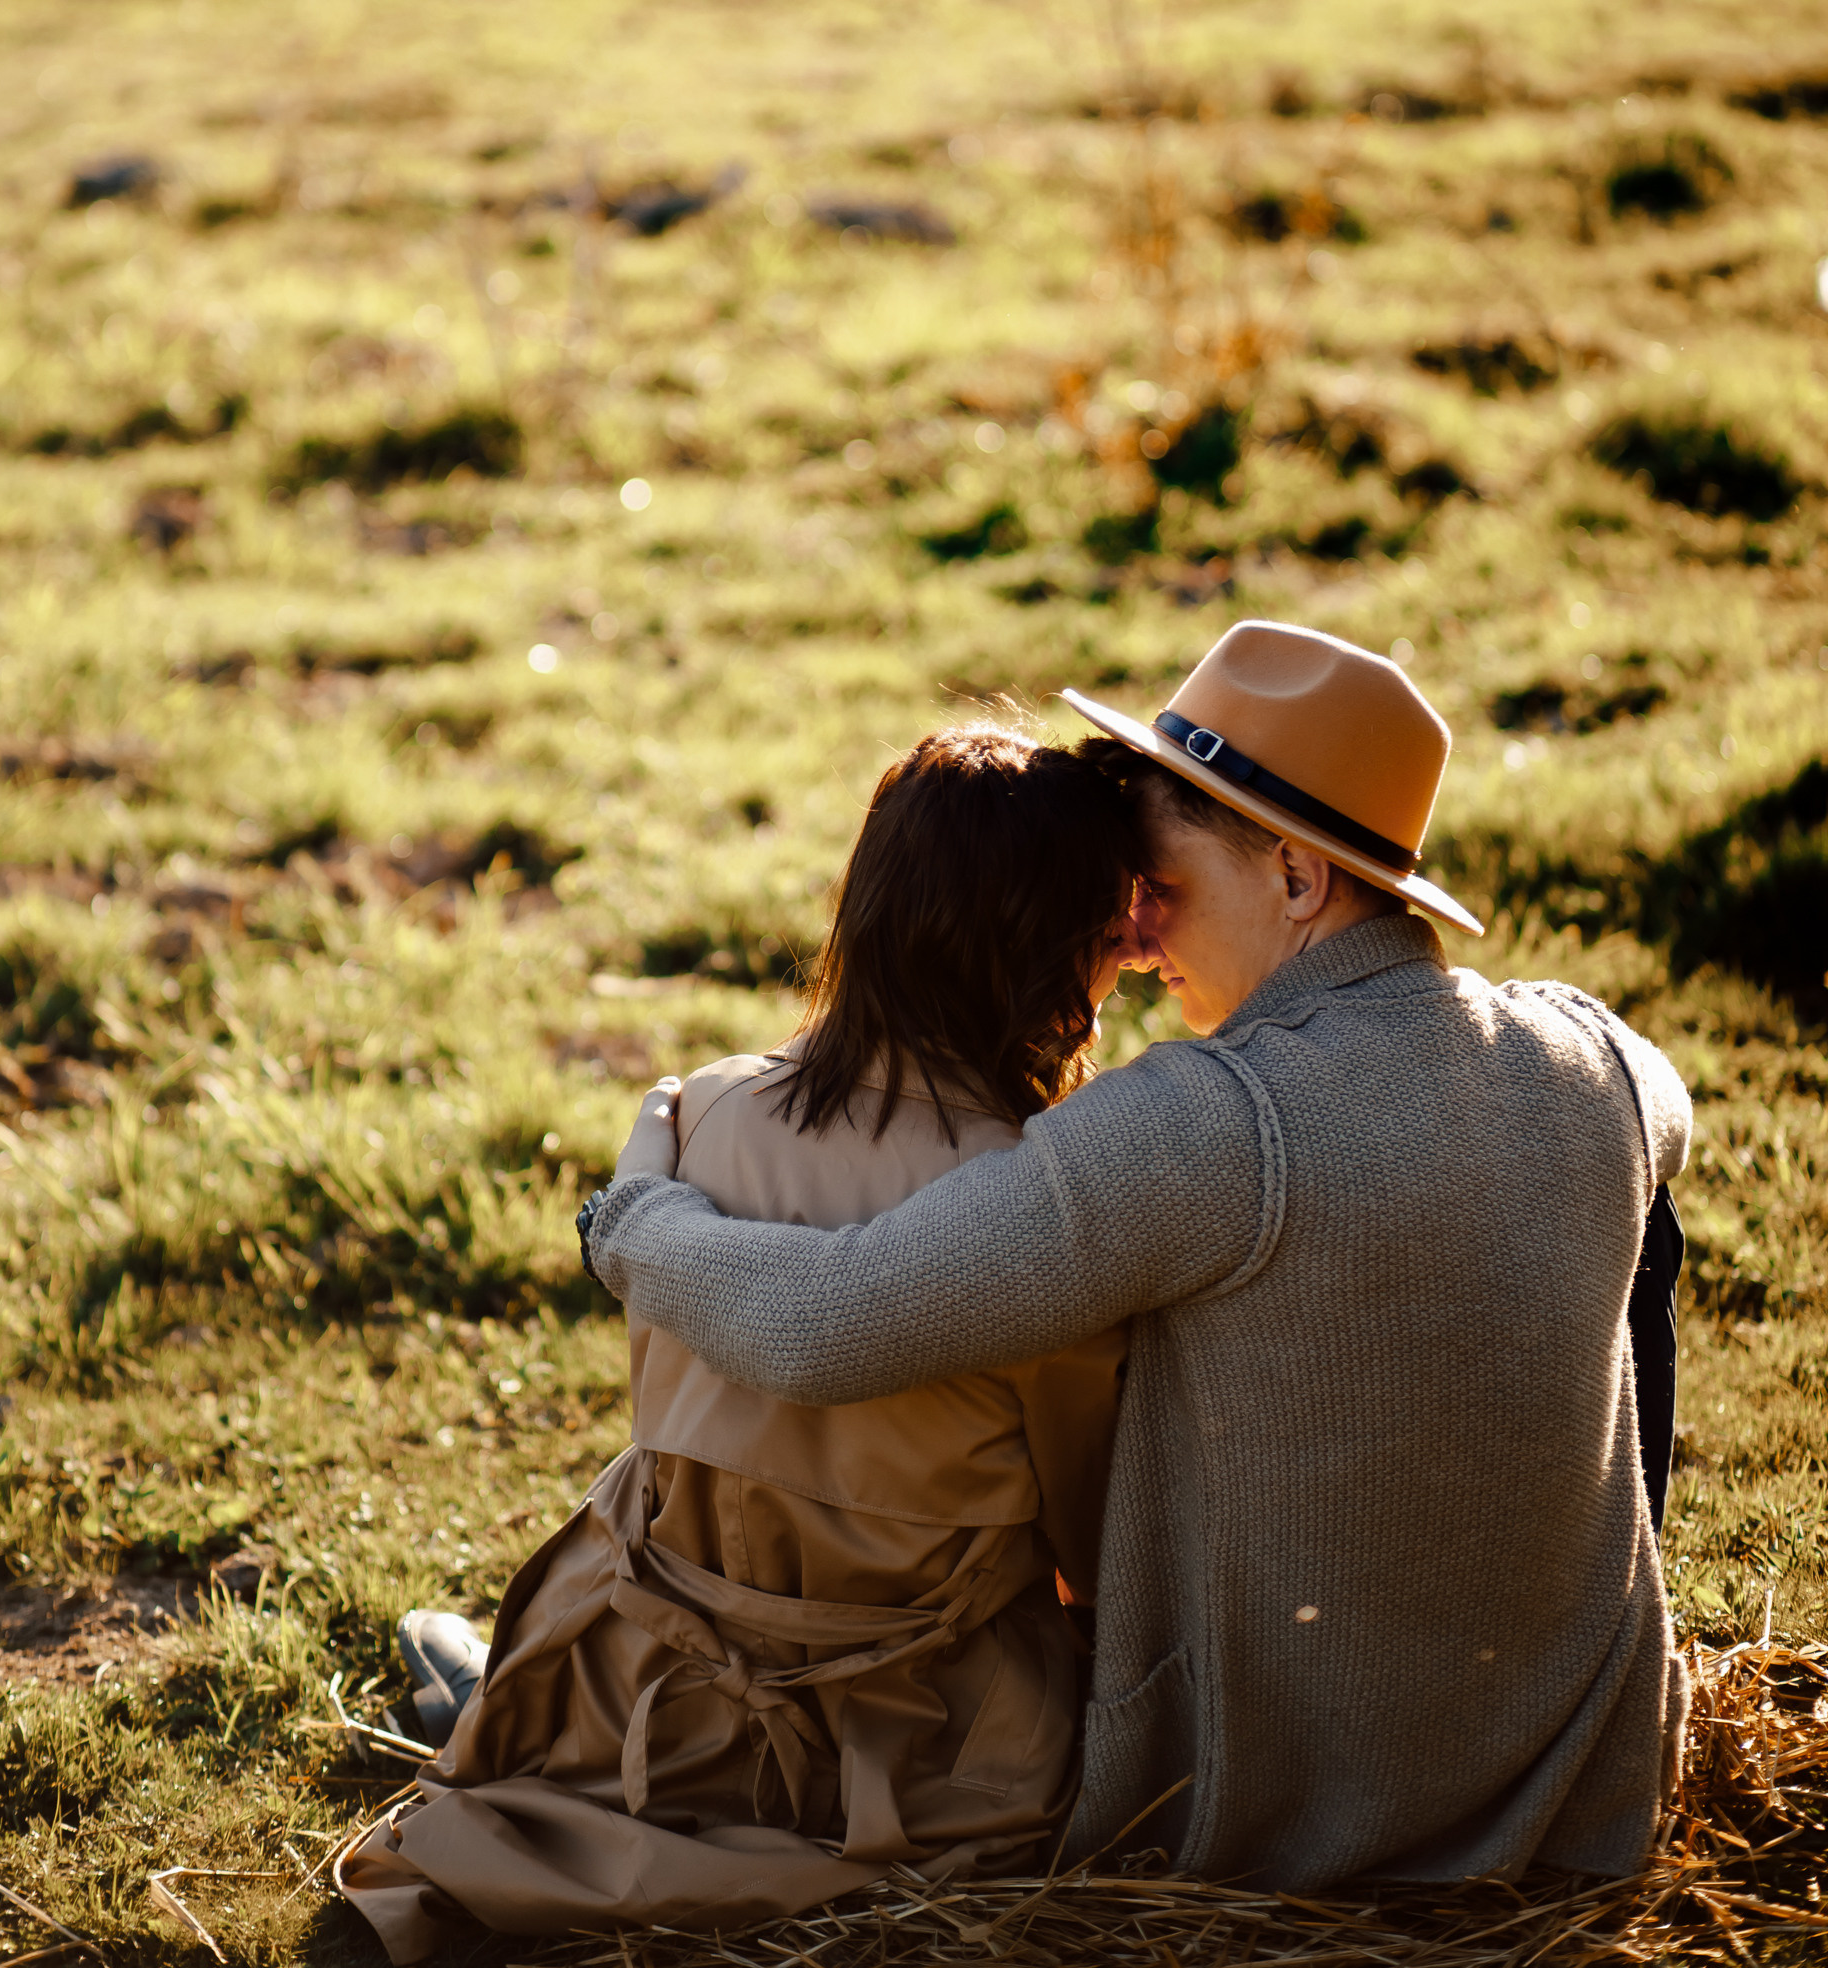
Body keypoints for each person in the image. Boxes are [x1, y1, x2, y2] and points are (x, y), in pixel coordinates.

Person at [590, 620, 1694, 1892]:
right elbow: (1665, 1109)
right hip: (1585, 1802)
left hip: (1294, 1829)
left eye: (1159, 883)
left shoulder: (1205, 1124)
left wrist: (633, 1220)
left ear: (1296, 878)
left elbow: (823, 1324)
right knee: (1642, 1229)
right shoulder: (1589, 1056)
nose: (1132, 929)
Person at [337, 724, 1148, 1959]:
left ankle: (506, 1706)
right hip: (928, 1748)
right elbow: (1092, 1531)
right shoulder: (1032, 1204)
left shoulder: (697, 1112)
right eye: (1109, 928)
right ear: (1053, 944)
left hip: (645, 1699)